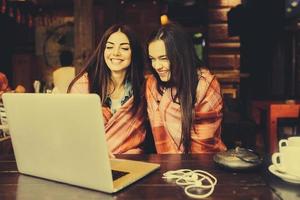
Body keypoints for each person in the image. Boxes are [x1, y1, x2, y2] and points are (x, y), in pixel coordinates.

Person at [145, 23, 227, 153]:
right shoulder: (152, 85)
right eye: (152, 59)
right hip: (165, 164)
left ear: (181, 56)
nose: (156, 66)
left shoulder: (205, 86)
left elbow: (203, 149)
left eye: (164, 58)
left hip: (203, 165)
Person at [68, 24, 147, 154]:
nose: (115, 53)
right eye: (109, 47)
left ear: (134, 53)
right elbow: (72, 130)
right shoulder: (83, 85)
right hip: (89, 159)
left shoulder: (143, 89)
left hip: (130, 162)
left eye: (124, 48)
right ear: (102, 51)